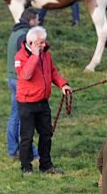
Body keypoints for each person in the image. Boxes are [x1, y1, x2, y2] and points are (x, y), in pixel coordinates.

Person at [15, 26, 72, 175]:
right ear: (31, 43)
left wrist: (63, 84)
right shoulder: (20, 57)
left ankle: (46, 165)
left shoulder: (46, 54)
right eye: (40, 43)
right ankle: (26, 167)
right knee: (27, 137)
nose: (44, 45)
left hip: (42, 102)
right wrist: (34, 56)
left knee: (46, 134)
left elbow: (52, 72)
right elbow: (26, 75)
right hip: (27, 103)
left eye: (44, 42)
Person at [7, 8, 39, 160]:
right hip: (20, 81)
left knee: (15, 116)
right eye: (37, 20)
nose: (38, 23)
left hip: (12, 78)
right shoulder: (25, 36)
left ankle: (13, 150)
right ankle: (30, 152)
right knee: (23, 117)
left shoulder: (14, 32)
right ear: (31, 20)